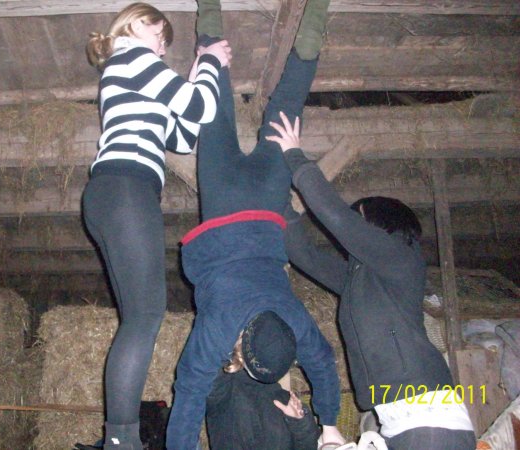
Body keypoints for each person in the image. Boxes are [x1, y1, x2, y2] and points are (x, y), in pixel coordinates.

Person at [165, 0, 345, 448]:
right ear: (242, 344)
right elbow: (188, 394)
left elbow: (323, 362)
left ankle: (317, 12)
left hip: (265, 204)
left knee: (290, 100)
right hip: (223, 201)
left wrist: (330, 424)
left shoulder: (293, 318)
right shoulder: (219, 326)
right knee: (216, 100)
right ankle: (208, 8)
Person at [270, 119, 477, 448]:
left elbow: (337, 217)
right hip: (397, 421)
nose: (355, 228)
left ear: (383, 222)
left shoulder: (400, 258)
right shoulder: (358, 279)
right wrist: (277, 197)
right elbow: (304, 255)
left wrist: (294, 156)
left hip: (429, 416)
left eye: (360, 218)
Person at [81, 4, 231, 449]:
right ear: (132, 24)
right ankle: (121, 440)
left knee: (138, 316)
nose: (162, 44)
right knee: (146, 315)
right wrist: (209, 63)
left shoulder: (135, 73)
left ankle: (119, 438)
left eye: (166, 40)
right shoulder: (132, 57)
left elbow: (182, 137)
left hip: (115, 192)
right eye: (158, 32)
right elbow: (200, 105)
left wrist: (199, 75)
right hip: (126, 188)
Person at [205, 328, 321, 450]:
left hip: (232, 378)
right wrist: (299, 421)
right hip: (273, 388)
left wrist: (232, 354)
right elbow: (310, 445)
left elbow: (214, 396)